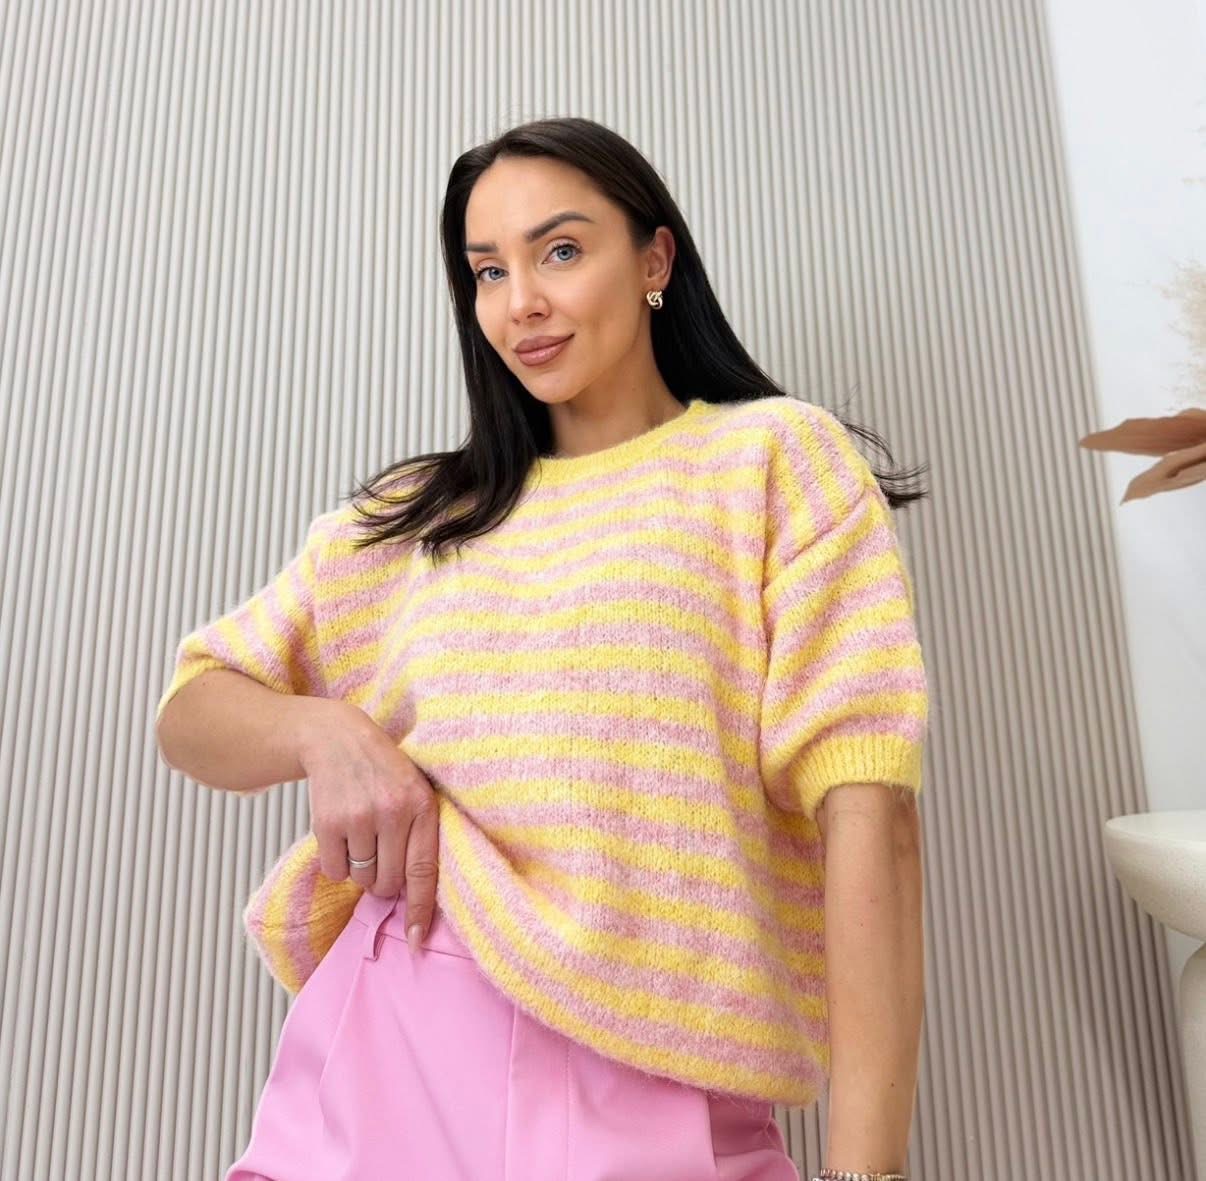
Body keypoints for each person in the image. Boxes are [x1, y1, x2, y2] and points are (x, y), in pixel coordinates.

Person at [156, 116, 930, 1181]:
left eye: (560, 250)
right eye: (488, 271)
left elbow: (871, 811)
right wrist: (325, 732)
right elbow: (193, 708)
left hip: (663, 1066)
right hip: (399, 1033)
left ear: (654, 259)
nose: (519, 300)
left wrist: (866, 1169)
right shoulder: (419, 516)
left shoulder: (772, 459)